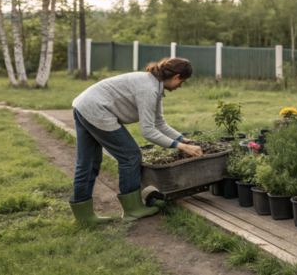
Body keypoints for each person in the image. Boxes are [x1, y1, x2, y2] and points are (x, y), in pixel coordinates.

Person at [68, 57, 203, 223]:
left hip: (83, 106)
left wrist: (181, 139)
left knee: (88, 162)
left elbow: (159, 123)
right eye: (182, 81)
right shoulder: (149, 89)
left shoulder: (154, 85)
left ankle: (84, 216)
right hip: (97, 110)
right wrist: (180, 146)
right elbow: (148, 131)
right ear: (176, 77)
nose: (180, 86)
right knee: (130, 156)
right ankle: (133, 209)